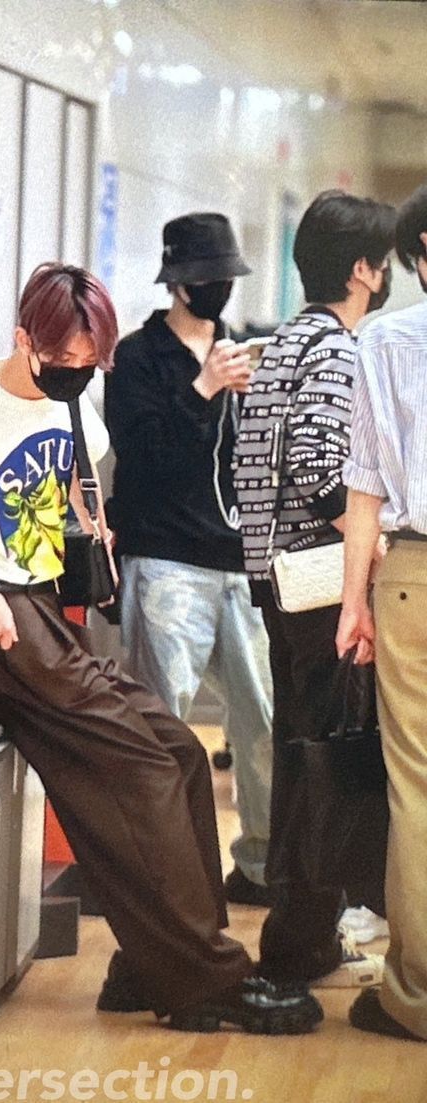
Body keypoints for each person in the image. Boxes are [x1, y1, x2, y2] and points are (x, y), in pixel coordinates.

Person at [0, 262, 321, 1034]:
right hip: (0, 623)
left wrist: (90, 528)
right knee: (146, 768)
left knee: (182, 752)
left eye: (93, 365)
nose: (80, 377)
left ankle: (150, 961)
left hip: (50, 613)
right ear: (26, 339)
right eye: (68, 363)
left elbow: (68, 484)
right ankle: (207, 980)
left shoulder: (73, 401)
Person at [234, 190, 395, 988]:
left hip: (273, 582)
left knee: (303, 760)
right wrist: (376, 545)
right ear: (362, 270)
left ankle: (302, 937)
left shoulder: (285, 341)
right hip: (319, 586)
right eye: (385, 260)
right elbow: (323, 472)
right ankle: (301, 942)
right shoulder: (337, 350)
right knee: (327, 769)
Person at [104, 213, 273, 907]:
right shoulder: (137, 357)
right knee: (160, 722)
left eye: (225, 280)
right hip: (166, 559)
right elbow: (141, 455)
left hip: (240, 559)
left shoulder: (238, 350)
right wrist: (201, 390)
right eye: (206, 280)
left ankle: (260, 865)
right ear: (177, 283)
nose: (217, 292)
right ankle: (160, 877)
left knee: (262, 718)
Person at [336, 183, 427, 1043]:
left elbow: (365, 481)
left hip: (416, 579)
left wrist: (353, 602)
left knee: (419, 786)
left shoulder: (387, 341)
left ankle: (416, 994)